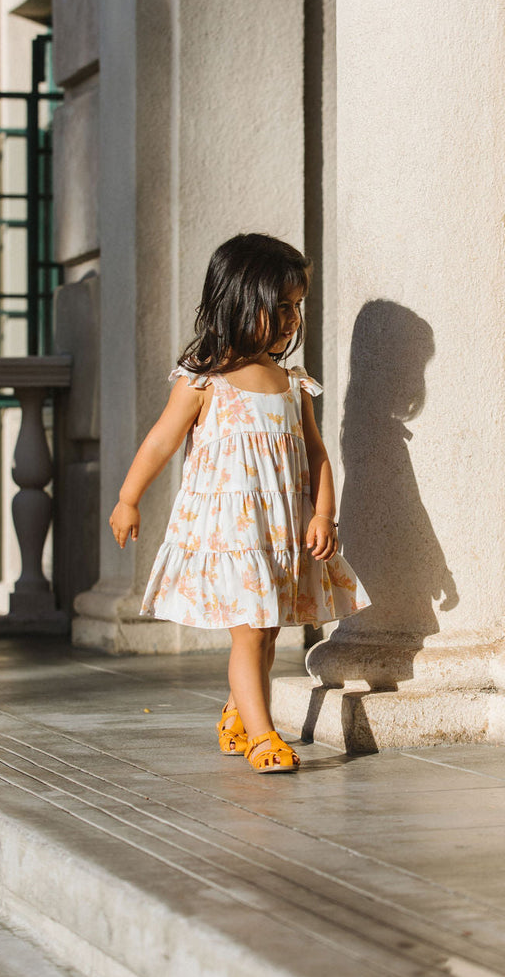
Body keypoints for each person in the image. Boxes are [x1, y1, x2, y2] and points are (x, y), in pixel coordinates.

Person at [109, 234, 370, 773]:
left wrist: (324, 513)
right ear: (238, 301)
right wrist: (128, 498)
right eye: (279, 307)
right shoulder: (205, 379)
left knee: (268, 630)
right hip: (233, 534)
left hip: (279, 531)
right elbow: (160, 440)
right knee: (250, 631)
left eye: (296, 307)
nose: (291, 319)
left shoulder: (290, 383)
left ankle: (238, 711)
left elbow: (317, 455)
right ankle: (262, 734)